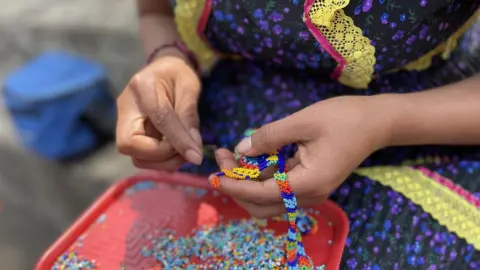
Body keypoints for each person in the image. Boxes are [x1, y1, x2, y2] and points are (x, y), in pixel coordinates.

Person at [116, 0, 480, 268]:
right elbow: (155, 10)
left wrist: (383, 122)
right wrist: (168, 58)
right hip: (223, 130)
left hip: (427, 132)